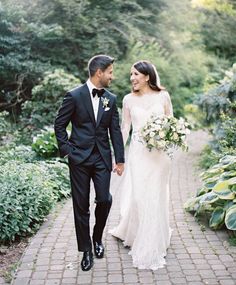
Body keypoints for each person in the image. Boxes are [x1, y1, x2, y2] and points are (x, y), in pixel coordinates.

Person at [54, 54, 125, 271]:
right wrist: (68, 152)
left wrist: (120, 159)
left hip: (102, 158)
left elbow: (115, 131)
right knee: (81, 206)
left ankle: (97, 238)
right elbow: (59, 125)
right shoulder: (74, 96)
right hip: (79, 159)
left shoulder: (110, 99)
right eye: (110, 72)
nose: (112, 76)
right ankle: (86, 250)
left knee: (104, 199)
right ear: (99, 72)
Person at [110, 60, 173, 270]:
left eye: (136, 74)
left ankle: (155, 239)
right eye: (131, 74)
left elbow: (170, 123)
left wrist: (167, 139)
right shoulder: (128, 99)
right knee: (138, 196)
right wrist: (119, 157)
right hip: (138, 154)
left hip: (159, 156)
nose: (132, 78)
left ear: (147, 76)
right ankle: (136, 232)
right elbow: (124, 129)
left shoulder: (163, 96)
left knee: (155, 195)